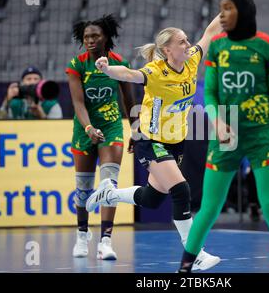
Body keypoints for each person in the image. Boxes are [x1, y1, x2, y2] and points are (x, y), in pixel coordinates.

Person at [85, 14, 223, 271]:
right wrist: (105, 68)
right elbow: (128, 73)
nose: (188, 44)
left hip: (176, 141)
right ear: (167, 50)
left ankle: (109, 193)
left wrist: (229, 6)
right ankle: (195, 254)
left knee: (151, 199)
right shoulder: (155, 72)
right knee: (181, 190)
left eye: (186, 40)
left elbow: (210, 32)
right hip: (150, 139)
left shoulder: (192, 59)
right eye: (181, 41)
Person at [177, 0, 269, 273]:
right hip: (225, 138)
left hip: (262, 137)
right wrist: (217, 122)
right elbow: (210, 94)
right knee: (208, 209)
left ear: (243, 12)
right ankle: (183, 269)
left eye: (228, 8)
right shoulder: (217, 47)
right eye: (220, 8)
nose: (222, 15)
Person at [65, 14, 137, 260]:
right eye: (86, 37)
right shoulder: (77, 64)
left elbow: (129, 101)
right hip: (84, 128)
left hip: (111, 126)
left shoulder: (119, 63)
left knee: (109, 184)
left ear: (106, 37)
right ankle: (82, 235)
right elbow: (77, 102)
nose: (90, 40)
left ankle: (106, 240)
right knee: (83, 188)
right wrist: (87, 128)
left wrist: (135, 131)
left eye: (95, 36)